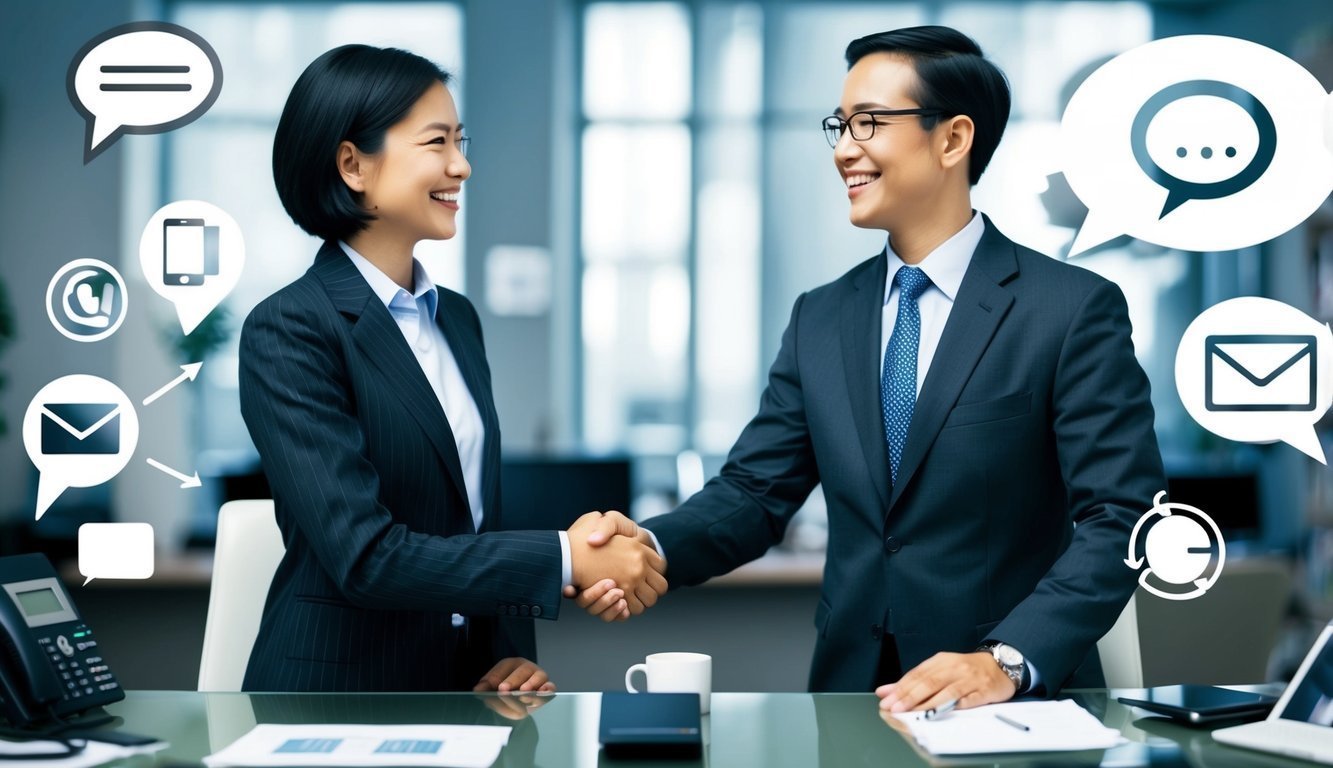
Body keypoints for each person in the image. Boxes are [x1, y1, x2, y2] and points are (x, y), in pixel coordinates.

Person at [572, 26, 1165, 711]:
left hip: (1010, 706)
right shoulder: (820, 317)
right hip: (851, 696)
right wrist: (646, 545)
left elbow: (1120, 515)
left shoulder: (1067, 309)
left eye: (870, 123)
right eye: (840, 125)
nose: (844, 149)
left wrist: (1005, 659)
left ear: (952, 139)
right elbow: (754, 494)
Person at [239, 44, 665, 693]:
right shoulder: (291, 328)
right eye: (437, 142)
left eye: (461, 141)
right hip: (334, 702)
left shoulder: (454, 319)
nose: (461, 166)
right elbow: (366, 558)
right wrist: (561, 556)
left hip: (460, 693)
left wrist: (505, 648)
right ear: (352, 164)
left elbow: (471, 521)